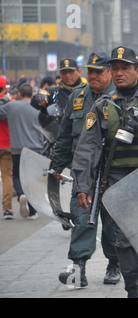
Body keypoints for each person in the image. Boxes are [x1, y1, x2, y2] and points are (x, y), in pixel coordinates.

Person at [71, 46, 138, 298]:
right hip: (118, 185)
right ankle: (133, 291)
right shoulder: (102, 106)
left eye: (125, 68)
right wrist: (82, 186)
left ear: (137, 71)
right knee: (125, 241)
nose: (118, 73)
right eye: (114, 68)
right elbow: (87, 150)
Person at [50, 52, 119, 288]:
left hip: (112, 170)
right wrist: (56, 166)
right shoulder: (78, 97)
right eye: (90, 71)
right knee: (81, 218)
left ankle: (114, 264)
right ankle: (78, 268)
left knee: (112, 222)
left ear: (109, 72)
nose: (93, 76)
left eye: (99, 71)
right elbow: (66, 135)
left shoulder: (120, 97)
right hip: (83, 169)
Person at [0, 84, 45, 220]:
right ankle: (32, 212)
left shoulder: (11, 106)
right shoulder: (38, 108)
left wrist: (6, 99)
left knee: (17, 176)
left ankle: (20, 195)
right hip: (36, 148)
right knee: (32, 179)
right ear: (32, 94)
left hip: (17, 148)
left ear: (19, 94)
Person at [0, 76, 13, 219]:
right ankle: (7, 207)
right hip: (7, 144)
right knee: (7, 176)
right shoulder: (10, 103)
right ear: (4, 88)